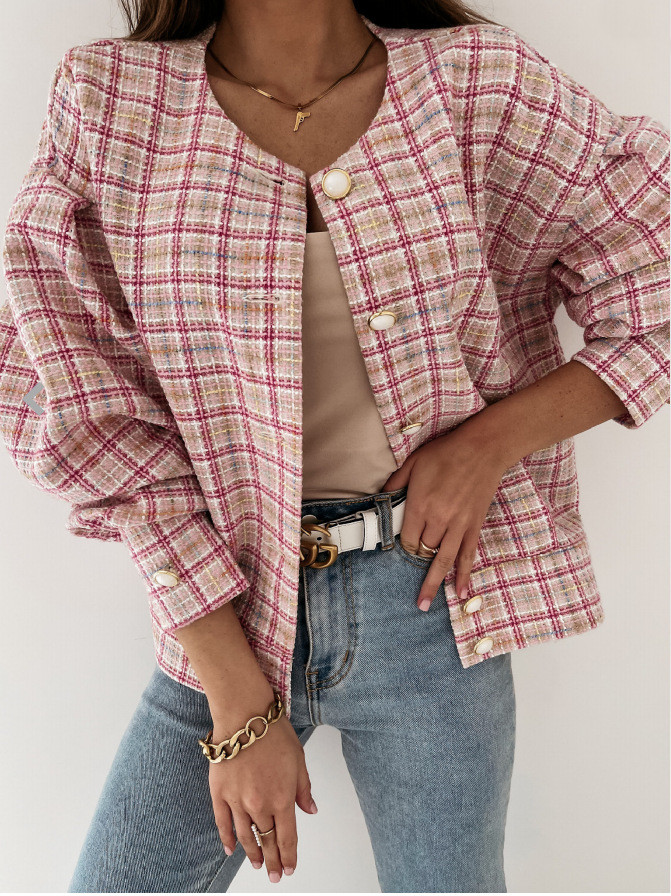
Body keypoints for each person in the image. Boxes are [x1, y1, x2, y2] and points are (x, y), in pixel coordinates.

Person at [0, 0, 668, 892]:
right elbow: (78, 400)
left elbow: (656, 281)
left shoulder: (476, 82)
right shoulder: (111, 101)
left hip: (434, 608)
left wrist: (488, 444)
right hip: (225, 611)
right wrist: (239, 706)